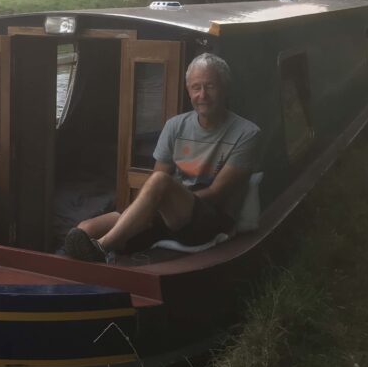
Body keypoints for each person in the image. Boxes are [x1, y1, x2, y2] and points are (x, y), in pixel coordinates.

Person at [64, 53, 259, 262]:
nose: (203, 94)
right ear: (188, 91)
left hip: (210, 218)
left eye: (210, 86)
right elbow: (159, 180)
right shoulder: (175, 125)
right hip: (168, 211)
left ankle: (103, 247)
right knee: (85, 229)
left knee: (159, 182)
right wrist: (149, 208)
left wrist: (160, 203)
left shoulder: (246, 133)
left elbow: (216, 192)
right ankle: (87, 277)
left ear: (224, 88)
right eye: (196, 87)